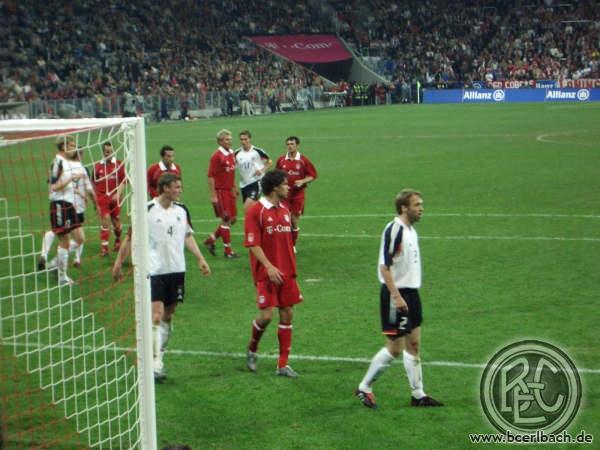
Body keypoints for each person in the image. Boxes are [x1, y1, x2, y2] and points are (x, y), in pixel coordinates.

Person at [112, 173, 211, 381]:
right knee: (156, 315)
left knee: (168, 314)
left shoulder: (181, 210)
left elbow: (187, 236)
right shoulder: (146, 209)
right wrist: (118, 262)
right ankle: (155, 364)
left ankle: (158, 353)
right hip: (153, 270)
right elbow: (131, 238)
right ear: (165, 188)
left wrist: (200, 259)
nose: (180, 190)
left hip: (176, 269)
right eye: (177, 187)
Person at [355, 189, 443, 409]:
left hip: (412, 293)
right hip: (397, 295)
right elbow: (384, 267)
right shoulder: (395, 230)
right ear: (404, 207)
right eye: (417, 205)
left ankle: (418, 395)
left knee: (413, 344)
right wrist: (396, 296)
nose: (421, 208)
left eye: (421, 204)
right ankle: (364, 387)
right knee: (394, 348)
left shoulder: (411, 230)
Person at [244, 170, 303, 378]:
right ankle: (252, 349)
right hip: (266, 272)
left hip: (287, 271)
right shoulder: (255, 211)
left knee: (287, 313)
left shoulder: (285, 209)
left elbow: (290, 238)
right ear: (275, 187)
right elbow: (253, 243)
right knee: (267, 316)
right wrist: (269, 267)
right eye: (285, 184)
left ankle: (283, 364)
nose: (288, 187)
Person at [42, 135, 84, 285]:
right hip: (59, 205)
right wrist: (70, 178)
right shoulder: (57, 162)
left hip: (69, 204)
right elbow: (53, 186)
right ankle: (62, 277)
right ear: (63, 147)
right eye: (72, 146)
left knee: (80, 239)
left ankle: (55, 262)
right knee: (64, 240)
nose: (74, 149)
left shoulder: (65, 162)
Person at [275, 136, 317, 249]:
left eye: (292, 144)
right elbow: (276, 176)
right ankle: (284, 243)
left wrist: (303, 180)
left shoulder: (303, 160)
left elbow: (313, 175)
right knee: (284, 219)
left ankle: (292, 245)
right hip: (284, 195)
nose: (290, 146)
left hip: (298, 195)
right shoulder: (281, 160)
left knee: (293, 220)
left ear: (297, 145)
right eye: (288, 144)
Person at [204, 129, 239, 258]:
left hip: (229, 191)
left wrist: (234, 187)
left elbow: (230, 172)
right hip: (220, 191)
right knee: (226, 220)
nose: (229, 141)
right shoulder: (216, 156)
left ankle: (211, 240)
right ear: (219, 141)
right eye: (226, 139)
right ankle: (228, 252)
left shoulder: (231, 153)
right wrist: (213, 195)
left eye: (230, 139)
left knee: (233, 219)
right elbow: (211, 176)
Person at [93, 141, 126, 256]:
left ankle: (117, 240)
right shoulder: (97, 166)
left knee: (117, 223)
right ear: (103, 152)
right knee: (105, 220)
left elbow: (123, 181)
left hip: (115, 197)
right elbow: (94, 183)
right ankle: (104, 248)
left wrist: (118, 194)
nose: (109, 154)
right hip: (102, 197)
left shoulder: (119, 164)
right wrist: (95, 201)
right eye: (107, 152)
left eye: (111, 151)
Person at [234, 130, 272, 211]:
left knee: (247, 207)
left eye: (245, 139)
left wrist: (262, 170)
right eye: (241, 139)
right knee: (251, 210)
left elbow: (269, 162)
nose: (243, 141)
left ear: (250, 139)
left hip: (256, 182)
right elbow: (232, 169)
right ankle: (265, 213)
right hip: (243, 184)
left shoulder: (257, 151)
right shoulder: (236, 153)